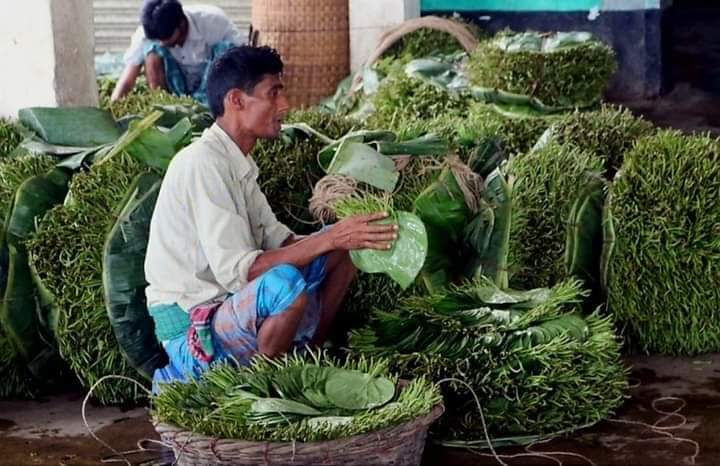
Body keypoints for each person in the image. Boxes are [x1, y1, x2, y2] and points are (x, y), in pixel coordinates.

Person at [144, 45, 398, 387]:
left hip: (230, 308)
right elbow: (242, 270)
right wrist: (329, 237)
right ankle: (265, 391)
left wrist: (345, 232)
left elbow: (282, 241)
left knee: (342, 249)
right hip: (193, 330)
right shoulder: (202, 163)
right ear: (236, 100)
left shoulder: (239, 165)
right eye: (273, 93)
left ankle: (308, 361)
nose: (285, 105)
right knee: (284, 286)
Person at [110, 0, 245, 104]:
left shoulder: (213, 21)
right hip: (175, 87)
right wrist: (113, 108)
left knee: (228, 50)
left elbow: (242, 59)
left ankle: (213, 110)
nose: (162, 43)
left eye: (167, 38)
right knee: (151, 51)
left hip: (210, 84)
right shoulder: (147, 34)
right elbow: (127, 81)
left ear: (181, 24)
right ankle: (163, 106)